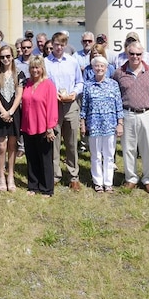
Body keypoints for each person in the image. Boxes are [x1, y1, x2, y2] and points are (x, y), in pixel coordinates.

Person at [111, 41, 149, 193]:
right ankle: (131, 178)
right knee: (128, 148)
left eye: (138, 54)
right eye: (132, 54)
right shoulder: (119, 73)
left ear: (142, 54)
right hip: (127, 114)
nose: (135, 57)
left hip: (146, 113)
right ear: (127, 53)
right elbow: (114, 95)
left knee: (148, 148)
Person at [46, 32, 85, 191]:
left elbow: (80, 82)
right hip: (53, 105)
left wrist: (73, 94)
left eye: (62, 44)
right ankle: (55, 175)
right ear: (52, 44)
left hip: (71, 105)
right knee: (54, 142)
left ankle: (73, 176)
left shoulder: (72, 61)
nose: (59, 47)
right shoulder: (45, 62)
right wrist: (53, 94)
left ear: (66, 45)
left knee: (71, 142)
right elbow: (43, 83)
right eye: (56, 44)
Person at [82, 55, 123, 192]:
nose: (99, 68)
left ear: (106, 68)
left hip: (110, 125)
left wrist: (120, 123)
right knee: (96, 155)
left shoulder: (113, 84)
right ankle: (98, 182)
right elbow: (84, 106)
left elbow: (119, 105)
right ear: (92, 68)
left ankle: (108, 182)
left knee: (109, 155)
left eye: (102, 66)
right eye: (96, 66)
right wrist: (83, 123)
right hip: (94, 125)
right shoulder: (88, 85)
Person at [20, 55, 58, 197]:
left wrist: (50, 128)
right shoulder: (27, 83)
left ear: (42, 68)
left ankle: (47, 188)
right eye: (32, 67)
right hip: (28, 126)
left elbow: (52, 107)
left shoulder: (48, 85)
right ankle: (33, 185)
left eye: (37, 67)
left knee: (45, 159)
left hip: (43, 127)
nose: (35, 70)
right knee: (31, 157)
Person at [0, 43, 24, 192]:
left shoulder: (19, 73)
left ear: (13, 56)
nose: (5, 59)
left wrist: (11, 111)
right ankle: (1, 176)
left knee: (12, 146)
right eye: (2, 57)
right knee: (1, 146)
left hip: (14, 112)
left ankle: (11, 176)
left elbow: (19, 94)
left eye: (8, 56)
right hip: (0, 113)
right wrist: (4, 111)